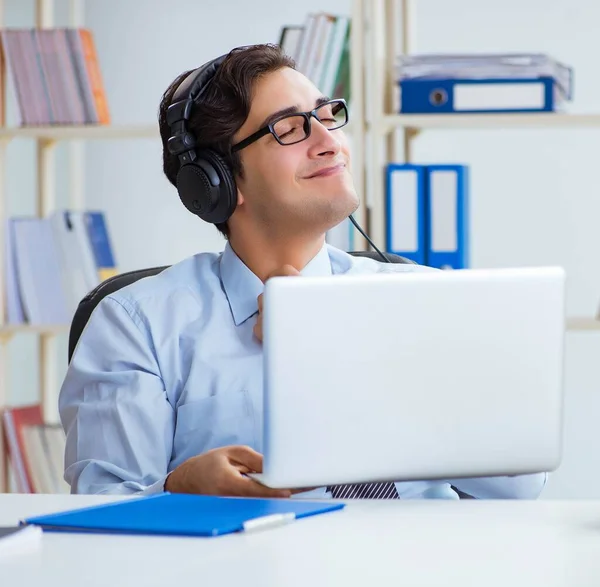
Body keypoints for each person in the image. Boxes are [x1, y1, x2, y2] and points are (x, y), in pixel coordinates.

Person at [59, 43, 547, 500]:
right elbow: (102, 511)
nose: (328, 141)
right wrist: (177, 490)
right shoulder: (136, 324)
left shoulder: (429, 298)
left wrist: (355, 359)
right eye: (289, 129)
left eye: (327, 115)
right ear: (216, 184)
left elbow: (520, 486)